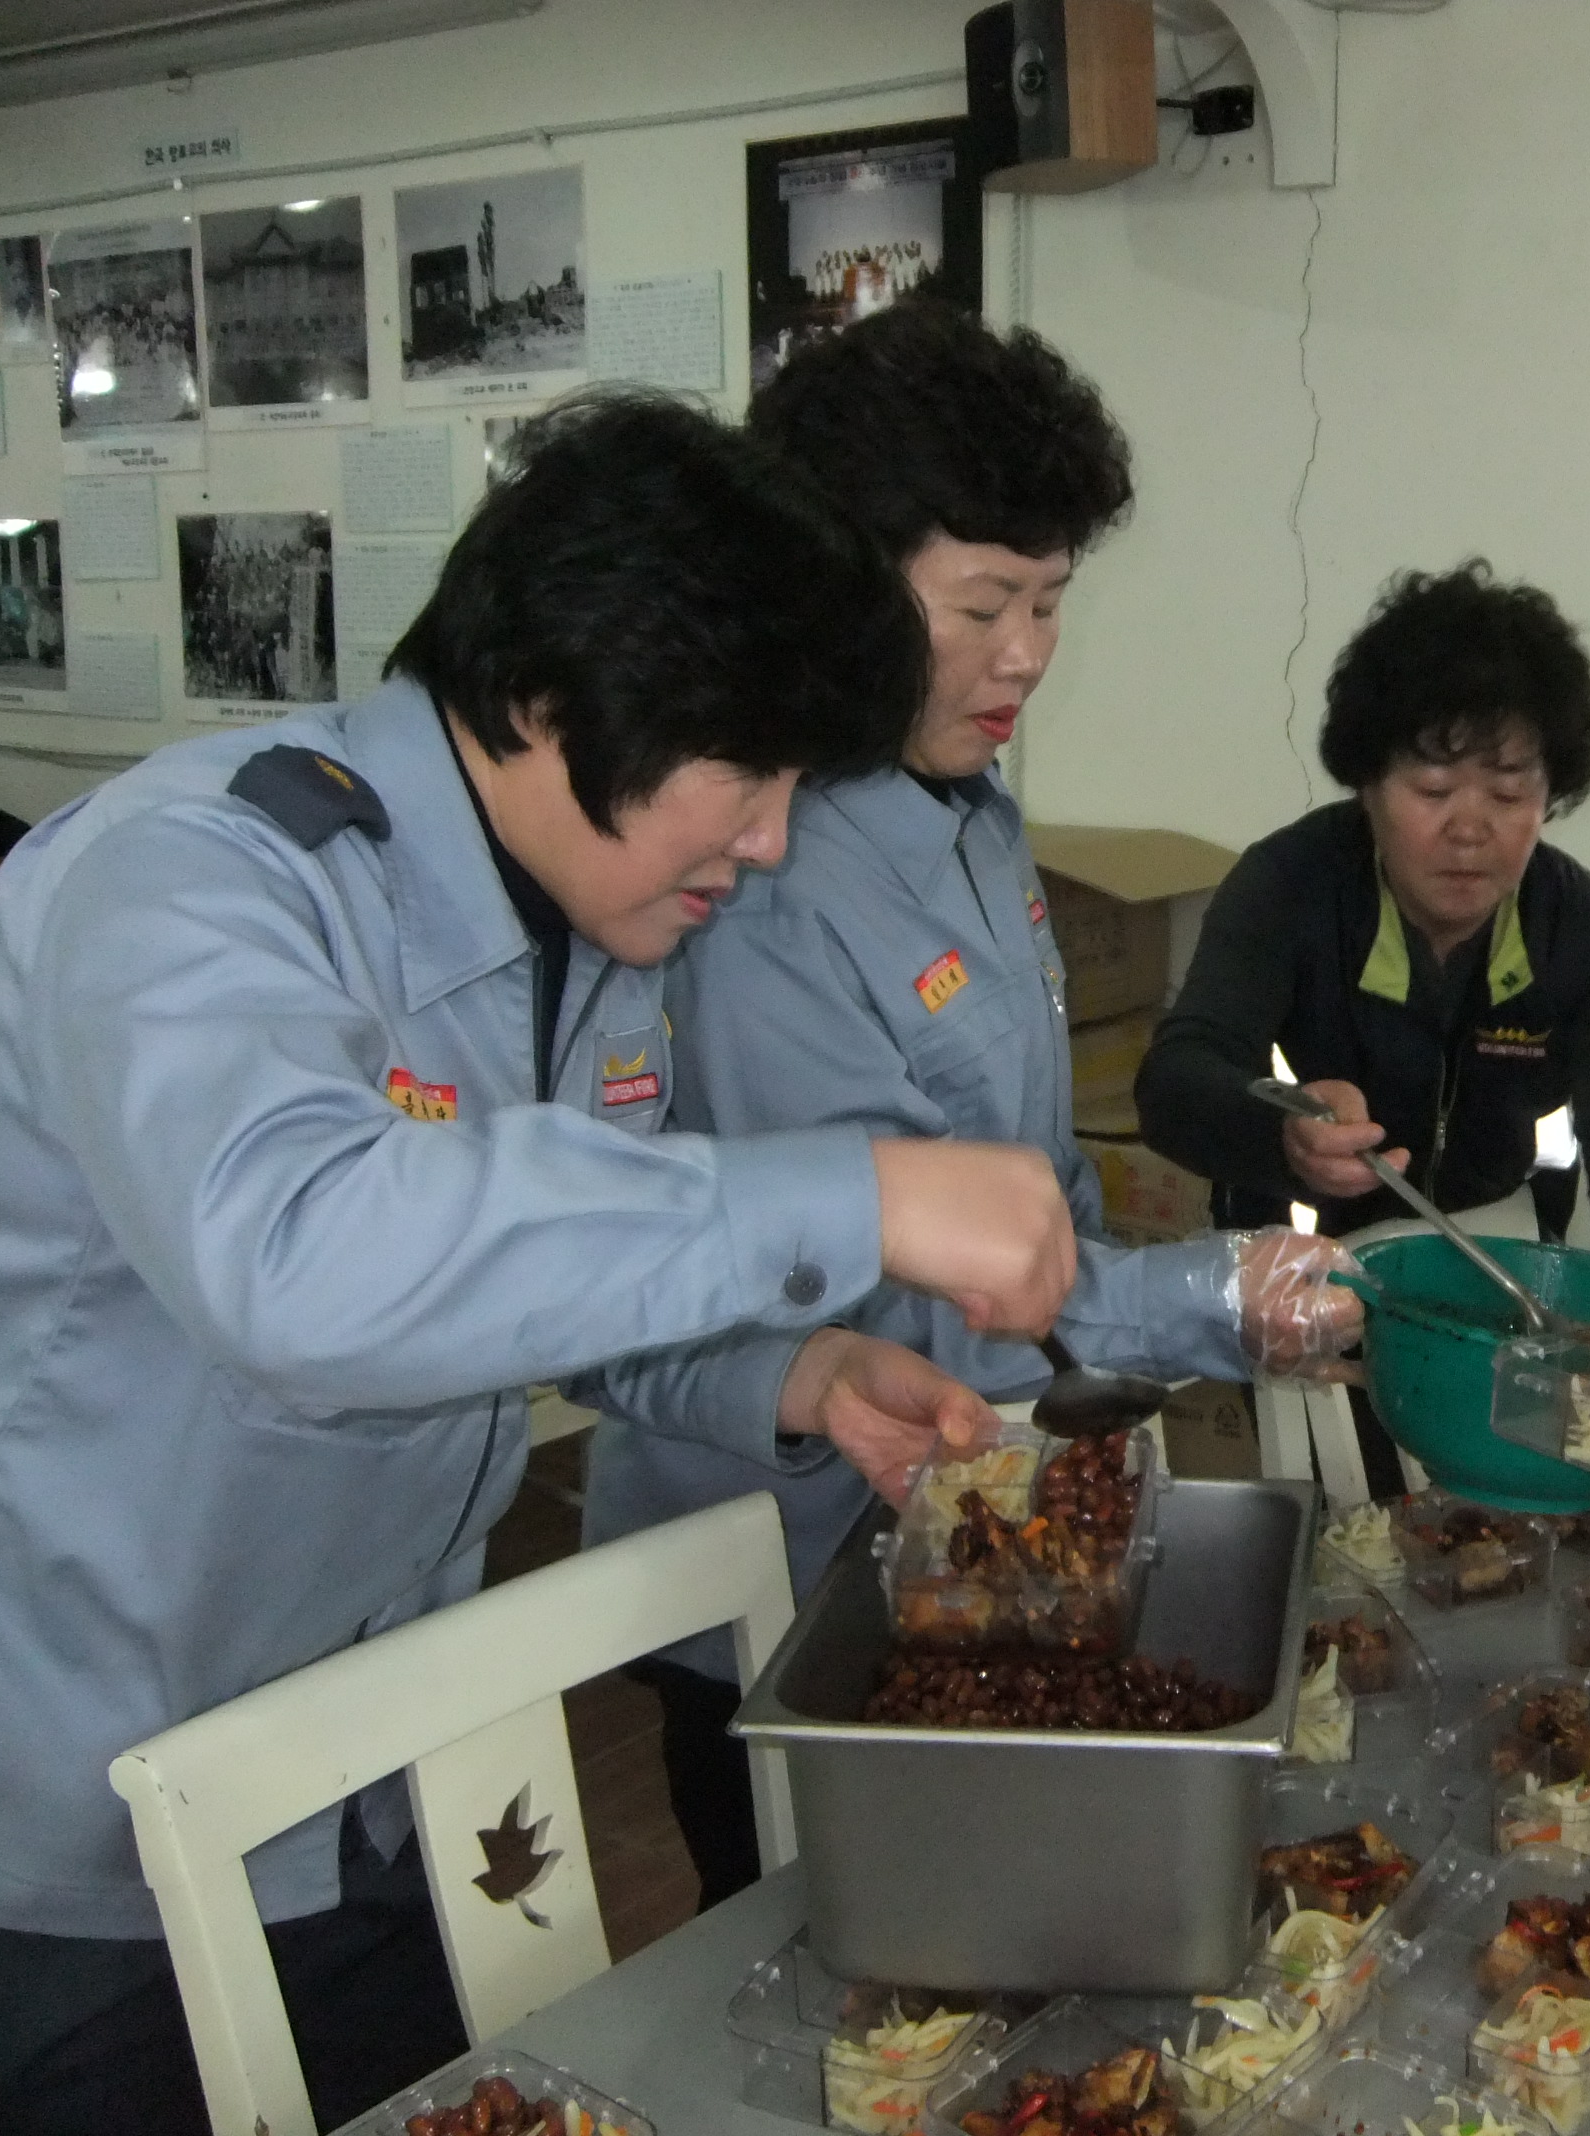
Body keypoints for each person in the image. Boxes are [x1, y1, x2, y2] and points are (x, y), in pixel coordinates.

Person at [0, 392, 1080, 2135]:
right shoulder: (196, 880)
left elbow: (537, 1288)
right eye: (746, 774)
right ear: (551, 698)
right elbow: (301, 1261)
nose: (770, 841)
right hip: (90, 1836)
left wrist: (786, 1372)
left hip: (382, 1778)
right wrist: (850, 1196)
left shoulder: (588, 933)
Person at [580, 298, 1365, 1904]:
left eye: (1052, 601)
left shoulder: (972, 810)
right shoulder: (768, 875)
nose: (1027, 655)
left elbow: (1032, 1183)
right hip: (788, 1555)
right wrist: (1212, 1298)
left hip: (968, 1513)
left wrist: (1180, 1287)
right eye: (983, 605)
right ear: (838, 591)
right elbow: (903, 1298)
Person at [1137, 560, 1590, 1257]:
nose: (1469, 831)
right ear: (1367, 785)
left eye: (1508, 794)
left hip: (1500, 1261)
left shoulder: (1586, 929)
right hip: (1297, 1263)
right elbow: (1176, 1083)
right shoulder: (1290, 886)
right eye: (1433, 791)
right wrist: (1284, 1135)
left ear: (1550, 796)